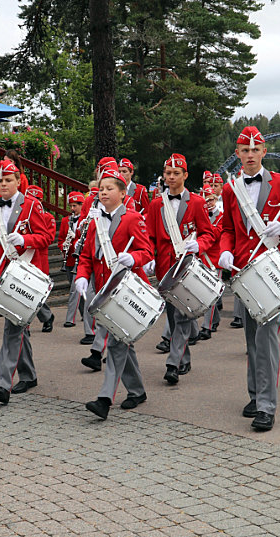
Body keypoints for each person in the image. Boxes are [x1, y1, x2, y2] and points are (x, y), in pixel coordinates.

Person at [218, 126, 280, 431]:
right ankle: (255, 395)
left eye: (256, 150)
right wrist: (225, 250)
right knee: (252, 338)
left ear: (264, 152)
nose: (251, 155)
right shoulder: (230, 188)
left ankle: (267, 406)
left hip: (270, 270)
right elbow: (227, 229)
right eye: (245, 150)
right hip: (244, 271)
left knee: (266, 340)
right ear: (237, 154)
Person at [74, 168, 153, 420]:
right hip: (104, 291)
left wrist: (133, 258)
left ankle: (104, 399)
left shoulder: (132, 218)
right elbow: (86, 256)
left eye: (109, 188)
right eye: (101, 188)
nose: (104, 192)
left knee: (117, 344)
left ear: (122, 193)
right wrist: (82, 276)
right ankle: (137, 391)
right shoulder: (94, 221)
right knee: (123, 342)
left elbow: (147, 252)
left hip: (126, 291)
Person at [0, 159, 53, 404]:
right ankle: (28, 375)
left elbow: (46, 236)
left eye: (8, 180)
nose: (3, 184)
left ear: (19, 181)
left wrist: (26, 240)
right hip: (4, 276)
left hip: (26, 276)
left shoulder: (31, 205)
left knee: (12, 329)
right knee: (19, 327)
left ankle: (2, 383)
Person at [144, 153, 215, 385]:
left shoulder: (197, 202)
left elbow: (208, 233)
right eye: (168, 173)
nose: (171, 177)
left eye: (176, 173)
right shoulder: (156, 204)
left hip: (187, 268)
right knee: (173, 317)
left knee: (182, 316)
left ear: (185, 175)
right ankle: (184, 358)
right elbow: (150, 236)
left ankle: (172, 364)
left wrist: (199, 245)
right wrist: (149, 256)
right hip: (165, 268)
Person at [25, 185, 56, 336]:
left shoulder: (48, 217)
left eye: (36, 199)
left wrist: (29, 239)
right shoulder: (21, 213)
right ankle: (27, 324)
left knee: (35, 292)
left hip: (39, 258)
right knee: (25, 291)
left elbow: (48, 238)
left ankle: (46, 316)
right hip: (23, 256)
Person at [199, 185, 223, 340]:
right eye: (205, 201)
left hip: (214, 259)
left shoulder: (221, 217)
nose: (208, 203)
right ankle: (215, 319)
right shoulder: (199, 216)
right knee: (204, 293)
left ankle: (206, 326)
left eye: (211, 200)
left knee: (211, 292)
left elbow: (215, 234)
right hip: (201, 258)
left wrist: (203, 227)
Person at [58, 191, 85, 328]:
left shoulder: (87, 220)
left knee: (74, 290)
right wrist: (64, 245)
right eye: (71, 206)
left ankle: (70, 319)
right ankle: (86, 314)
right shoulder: (65, 221)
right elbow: (60, 239)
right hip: (68, 259)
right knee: (76, 288)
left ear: (81, 205)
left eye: (75, 206)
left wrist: (75, 242)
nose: (72, 209)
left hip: (81, 259)